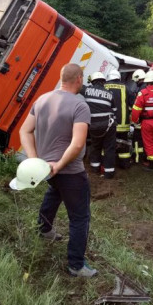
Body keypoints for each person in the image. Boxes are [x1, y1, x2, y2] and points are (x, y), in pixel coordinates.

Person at [19, 63, 97, 277]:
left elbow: (24, 131)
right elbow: (78, 143)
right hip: (70, 171)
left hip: (47, 169)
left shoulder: (42, 99)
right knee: (80, 217)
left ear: (61, 77)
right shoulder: (80, 106)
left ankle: (43, 229)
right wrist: (60, 165)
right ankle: (76, 264)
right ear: (79, 79)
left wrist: (35, 160)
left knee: (54, 193)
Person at [84, 71, 117, 178]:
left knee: (95, 146)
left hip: (93, 125)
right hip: (108, 124)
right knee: (109, 148)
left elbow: (76, 87)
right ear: (103, 82)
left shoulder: (87, 90)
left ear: (92, 81)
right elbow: (114, 110)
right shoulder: (109, 94)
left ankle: (95, 168)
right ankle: (109, 172)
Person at [105, 69, 134, 169]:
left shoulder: (104, 87)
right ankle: (124, 164)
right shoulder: (126, 88)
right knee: (124, 144)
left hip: (108, 123)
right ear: (119, 77)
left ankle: (107, 164)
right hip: (123, 123)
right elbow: (133, 103)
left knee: (107, 144)